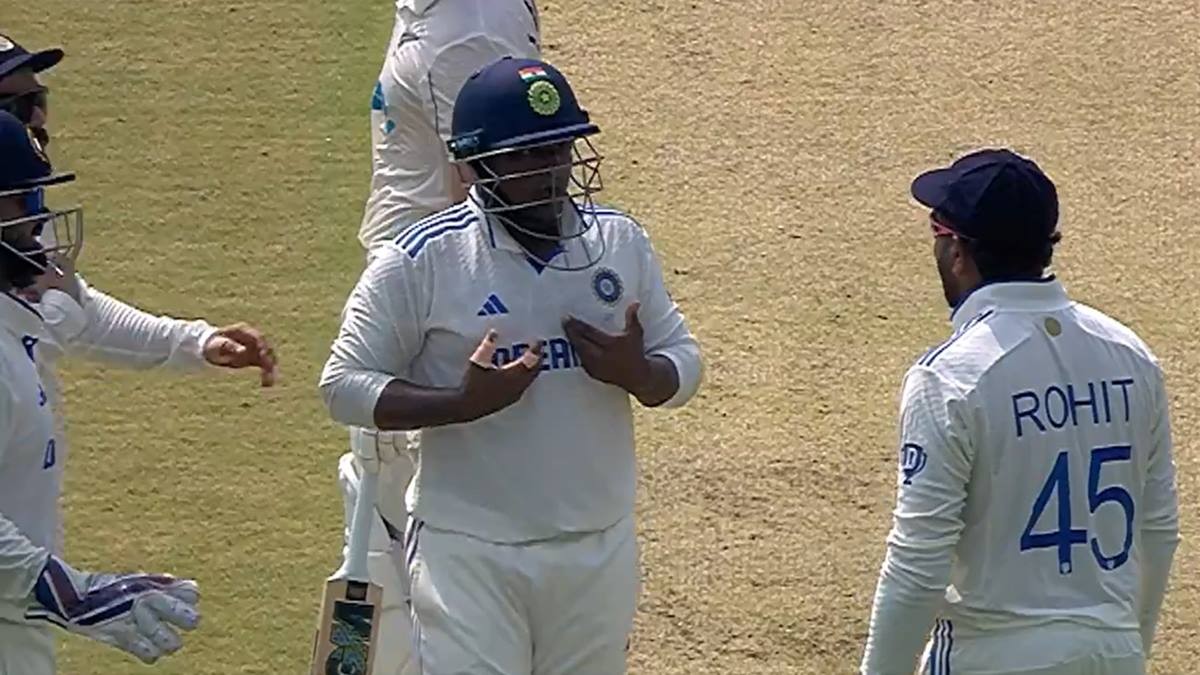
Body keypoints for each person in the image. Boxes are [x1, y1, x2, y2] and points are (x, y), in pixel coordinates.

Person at [321, 56, 703, 673]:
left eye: (559, 148)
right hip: (468, 552)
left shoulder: (619, 242)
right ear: (474, 165)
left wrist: (638, 375)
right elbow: (342, 385)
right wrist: (459, 405)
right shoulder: (422, 259)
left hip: (596, 545)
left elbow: (683, 362)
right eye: (527, 155)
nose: (551, 170)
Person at [860, 149, 1179, 675]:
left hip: (989, 656)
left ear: (958, 251)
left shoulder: (949, 377)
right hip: (1114, 651)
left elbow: (918, 564)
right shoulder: (1131, 355)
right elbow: (1159, 529)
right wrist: (1129, 647)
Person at [341, 5, 541, 673]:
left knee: (406, 548)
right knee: (377, 529)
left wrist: (449, 349)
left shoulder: (470, 28)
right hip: (405, 302)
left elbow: (490, 195)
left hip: (429, 324)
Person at [0, 110, 201, 674]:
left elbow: (74, 321)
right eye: (20, 200)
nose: (39, 215)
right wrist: (75, 596)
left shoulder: (18, 325)